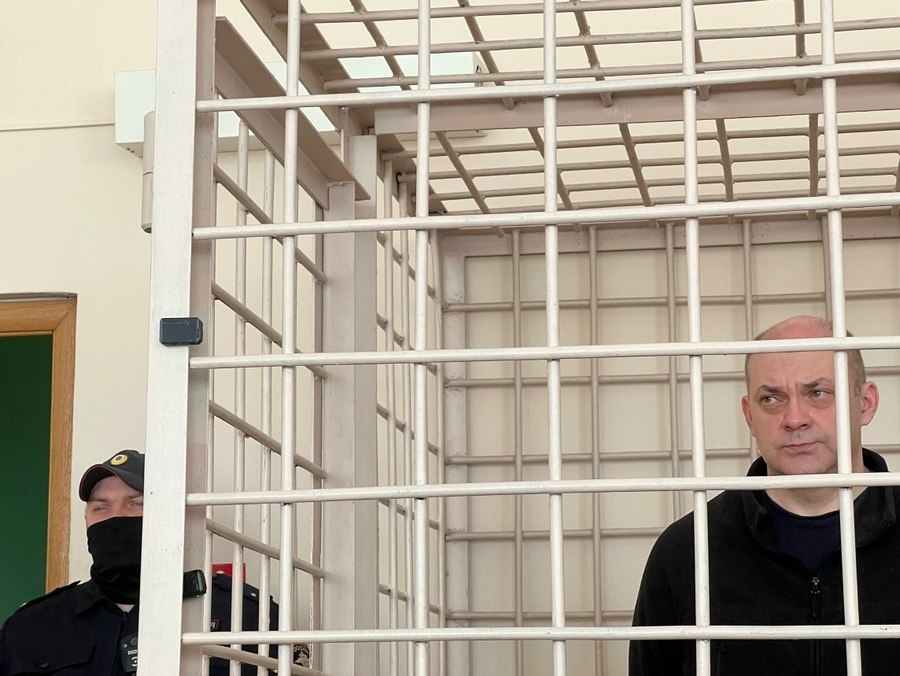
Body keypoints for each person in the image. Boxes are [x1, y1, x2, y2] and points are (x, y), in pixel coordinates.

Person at [629, 315, 900, 675]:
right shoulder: (688, 549)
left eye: (817, 393)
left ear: (865, 403)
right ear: (749, 415)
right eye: (771, 398)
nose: (794, 418)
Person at [0, 449, 281, 675]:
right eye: (101, 507)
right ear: (86, 520)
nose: (116, 517)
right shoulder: (31, 626)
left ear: (172, 514)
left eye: (137, 503)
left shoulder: (244, 615)